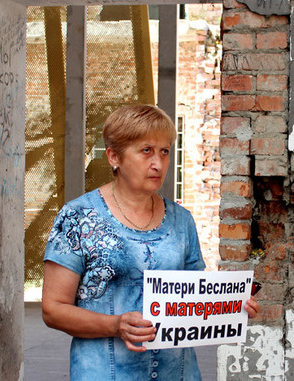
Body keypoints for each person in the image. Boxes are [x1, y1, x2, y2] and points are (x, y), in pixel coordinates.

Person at [41, 104, 261, 380]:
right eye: (146, 151)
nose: (158, 163)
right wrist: (115, 325)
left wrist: (229, 305)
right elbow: (53, 309)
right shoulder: (78, 217)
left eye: (165, 152)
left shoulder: (182, 220)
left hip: (178, 373)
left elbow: (193, 298)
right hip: (103, 372)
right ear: (113, 157)